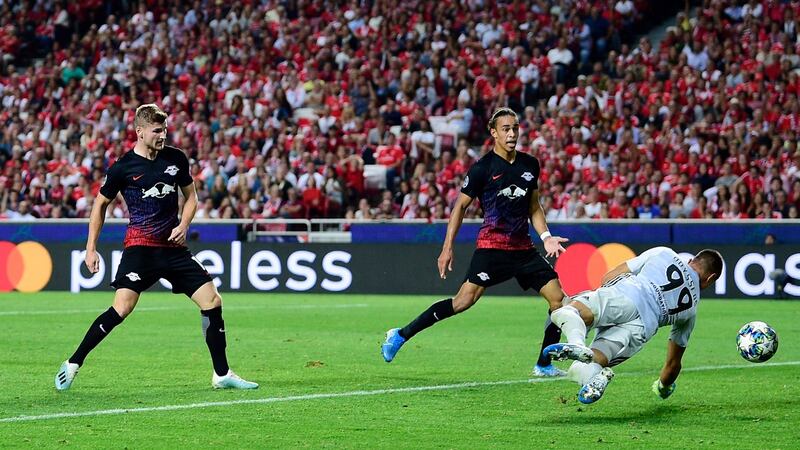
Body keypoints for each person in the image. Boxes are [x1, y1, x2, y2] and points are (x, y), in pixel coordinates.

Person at [55, 104, 257, 391]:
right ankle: (73, 363)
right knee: (122, 308)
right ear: (140, 132)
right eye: (157, 131)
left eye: (164, 130)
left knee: (212, 301)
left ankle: (222, 374)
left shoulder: (175, 159)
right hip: (140, 249)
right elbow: (100, 205)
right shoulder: (123, 167)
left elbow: (191, 197)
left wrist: (184, 224)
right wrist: (91, 248)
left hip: (173, 249)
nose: (163, 135)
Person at [381, 107, 571, 376]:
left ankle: (543, 364)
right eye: (506, 129)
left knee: (558, 300)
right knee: (463, 302)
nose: (512, 133)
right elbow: (459, 208)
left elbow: (534, 207)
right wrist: (447, 248)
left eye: (515, 128)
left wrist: (546, 237)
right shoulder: (482, 169)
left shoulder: (530, 165)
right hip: (492, 247)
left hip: (524, 250)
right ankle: (400, 334)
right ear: (493, 133)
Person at [542, 247, 723, 404]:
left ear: (691, 260)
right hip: (643, 328)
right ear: (711, 278)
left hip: (628, 295)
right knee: (586, 365)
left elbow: (610, 276)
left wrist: (600, 298)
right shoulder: (691, 310)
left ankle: (577, 343)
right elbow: (673, 364)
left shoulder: (664, 253)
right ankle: (596, 374)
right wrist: (664, 387)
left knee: (566, 312)